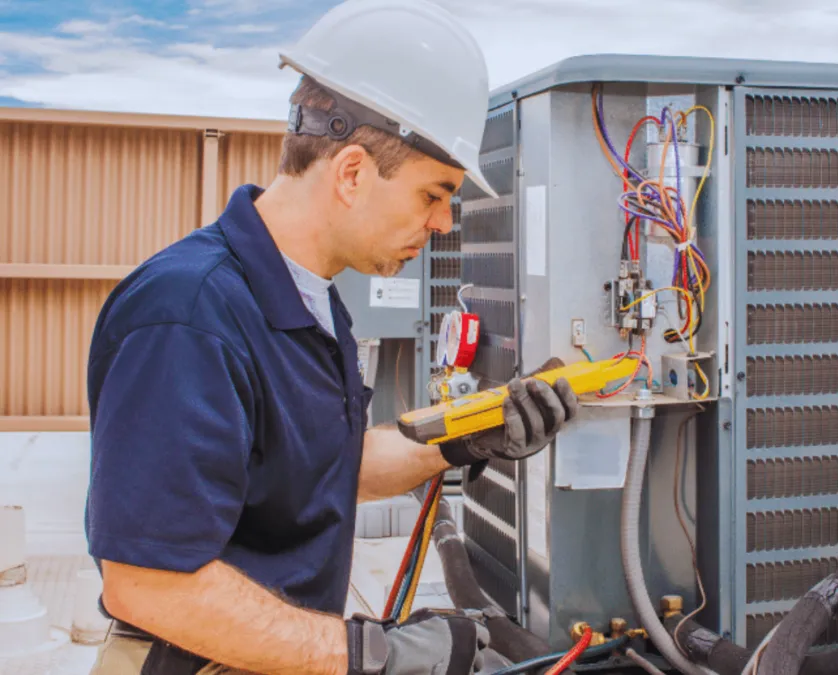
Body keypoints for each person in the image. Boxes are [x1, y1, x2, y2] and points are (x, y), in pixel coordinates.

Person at [83, 1, 577, 673]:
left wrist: (472, 434)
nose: (442, 223)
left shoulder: (313, 300)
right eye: (434, 194)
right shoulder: (189, 315)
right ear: (351, 172)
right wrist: (376, 653)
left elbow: (323, 471)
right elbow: (147, 582)